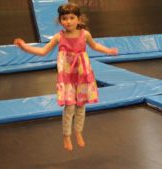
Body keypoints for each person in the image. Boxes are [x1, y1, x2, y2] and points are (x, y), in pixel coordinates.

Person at [14, 3, 118, 151]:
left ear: (78, 19)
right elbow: (43, 51)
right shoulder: (59, 37)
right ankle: (66, 135)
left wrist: (108, 50)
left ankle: (78, 132)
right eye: (64, 18)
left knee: (81, 106)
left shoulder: (85, 34)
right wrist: (24, 47)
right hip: (67, 77)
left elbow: (94, 46)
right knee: (69, 107)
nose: (68, 21)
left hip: (82, 75)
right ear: (60, 20)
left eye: (71, 18)